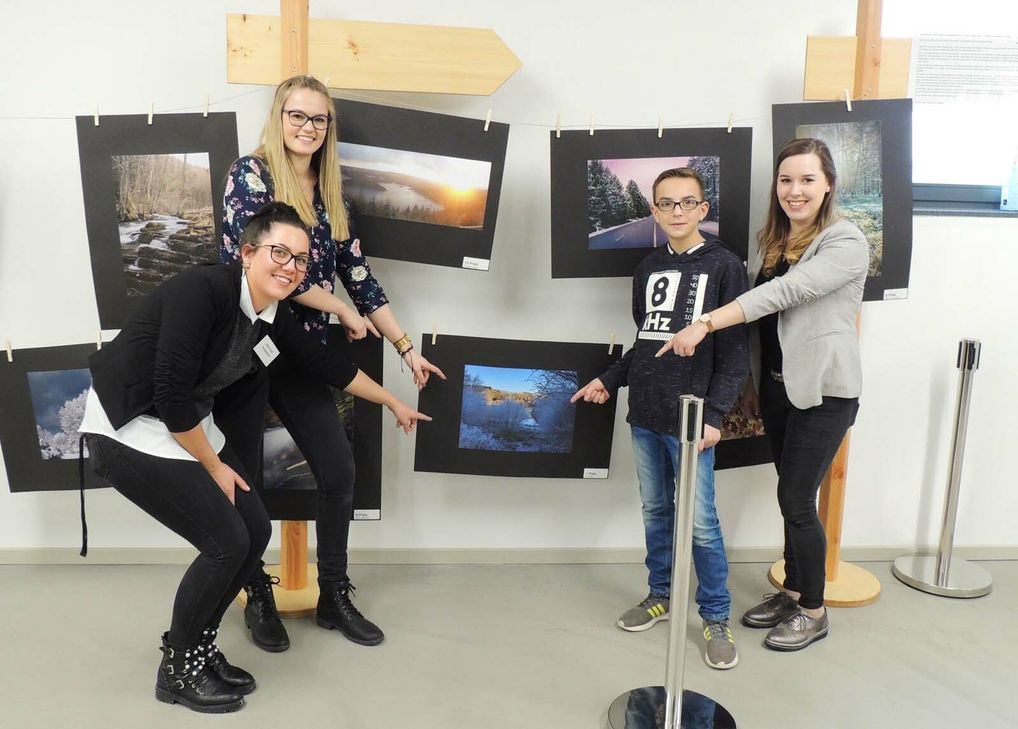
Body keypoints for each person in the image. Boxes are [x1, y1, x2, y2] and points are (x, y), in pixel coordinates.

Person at [79, 202, 428, 713]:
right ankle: (177, 671)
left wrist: (394, 399)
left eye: (300, 259)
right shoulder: (202, 292)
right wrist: (215, 466)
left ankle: (199, 647)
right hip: (128, 426)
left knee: (254, 532)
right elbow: (172, 392)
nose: (290, 266)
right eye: (278, 253)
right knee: (225, 541)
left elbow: (326, 363)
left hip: (182, 424)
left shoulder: (273, 315)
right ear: (247, 253)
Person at [221, 75, 446, 651]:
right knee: (245, 480)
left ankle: (334, 594)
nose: (307, 127)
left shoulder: (331, 191)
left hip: (306, 355)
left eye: (318, 119)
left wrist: (405, 348)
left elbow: (361, 277)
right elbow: (267, 272)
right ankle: (257, 594)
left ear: (328, 127)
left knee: (339, 470)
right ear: (279, 115)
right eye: (297, 115)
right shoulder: (249, 175)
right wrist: (339, 307)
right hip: (247, 348)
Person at [662, 138, 867, 651]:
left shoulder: (845, 241)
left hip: (824, 393)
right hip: (778, 390)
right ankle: (794, 590)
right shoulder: (776, 243)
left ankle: (814, 610)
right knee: (789, 495)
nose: (794, 191)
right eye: (786, 180)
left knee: (797, 499)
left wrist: (705, 322)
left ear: (828, 185)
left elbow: (784, 294)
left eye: (806, 180)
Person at [572, 168, 749, 670]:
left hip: (692, 420)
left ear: (702, 210)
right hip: (644, 414)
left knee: (703, 525)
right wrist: (610, 379)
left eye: (686, 203)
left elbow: (736, 354)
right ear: (653, 210)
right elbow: (645, 341)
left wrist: (714, 415)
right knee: (656, 513)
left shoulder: (726, 266)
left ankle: (716, 616)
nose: (676, 212)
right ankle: (660, 596)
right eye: (665, 203)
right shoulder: (647, 267)